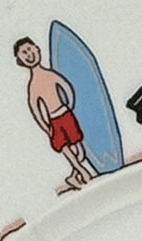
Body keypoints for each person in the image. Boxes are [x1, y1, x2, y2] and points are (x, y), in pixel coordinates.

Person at [13, 36, 97, 189]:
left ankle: (73, 176)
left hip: (65, 114)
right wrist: (46, 127)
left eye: (30, 49)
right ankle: (82, 171)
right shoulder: (33, 85)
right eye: (24, 53)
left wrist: (69, 106)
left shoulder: (50, 75)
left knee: (79, 150)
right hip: (54, 120)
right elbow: (35, 109)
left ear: (37, 49)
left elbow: (66, 88)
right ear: (20, 60)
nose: (29, 55)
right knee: (65, 147)